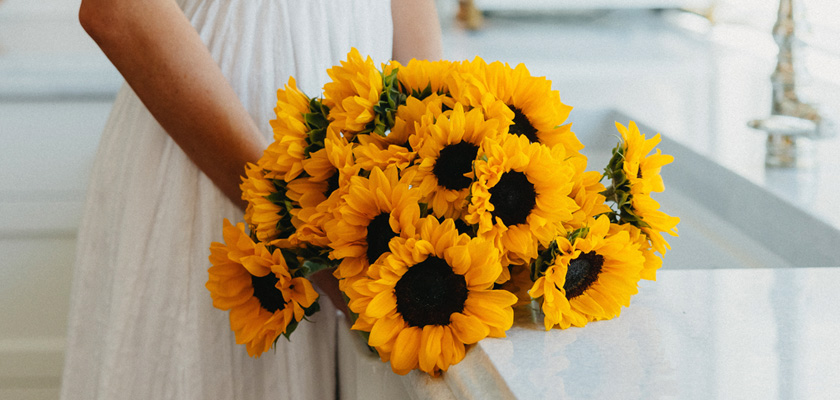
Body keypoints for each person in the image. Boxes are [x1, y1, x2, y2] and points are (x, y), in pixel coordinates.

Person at [60, 0, 442, 399]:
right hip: (211, 173)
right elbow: (118, 11)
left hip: (358, 195)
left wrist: (427, 163)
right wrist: (293, 225)